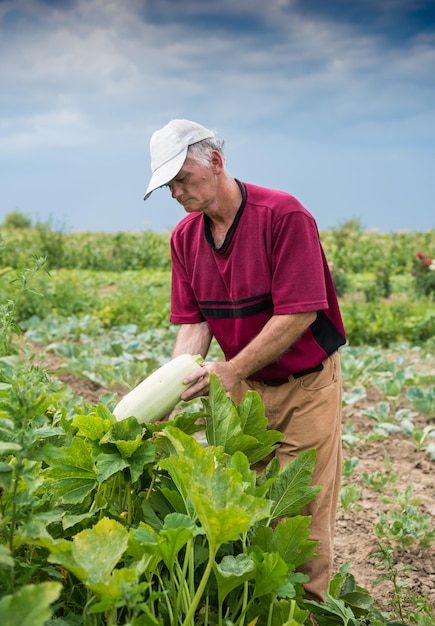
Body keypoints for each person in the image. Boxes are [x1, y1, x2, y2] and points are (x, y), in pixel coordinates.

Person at [143, 118, 346, 603]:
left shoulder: (283, 216)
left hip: (305, 385)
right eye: (167, 184)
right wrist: (169, 390)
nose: (175, 192)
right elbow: (195, 324)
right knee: (245, 504)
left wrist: (233, 368)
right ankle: (255, 607)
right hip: (243, 388)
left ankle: (307, 612)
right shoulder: (185, 238)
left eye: (181, 178)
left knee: (301, 512)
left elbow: (299, 313)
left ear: (215, 162)